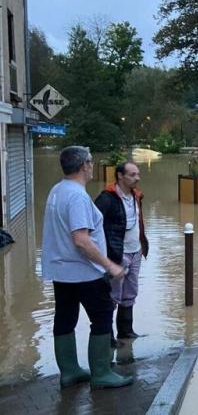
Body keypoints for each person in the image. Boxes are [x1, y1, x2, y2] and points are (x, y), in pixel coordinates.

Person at [41, 146, 133, 389]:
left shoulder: (57, 190)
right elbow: (81, 239)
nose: (93, 166)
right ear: (84, 165)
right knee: (102, 317)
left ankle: (70, 372)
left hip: (61, 272)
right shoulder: (77, 196)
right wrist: (110, 266)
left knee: (65, 318)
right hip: (84, 272)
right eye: (91, 162)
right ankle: (101, 373)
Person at [95, 161, 149, 343]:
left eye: (138, 174)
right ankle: (107, 337)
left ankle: (125, 331)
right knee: (112, 296)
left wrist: (142, 246)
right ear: (120, 175)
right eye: (132, 175)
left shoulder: (137, 196)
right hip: (116, 254)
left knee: (130, 292)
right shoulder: (107, 198)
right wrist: (104, 254)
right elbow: (94, 225)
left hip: (136, 252)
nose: (137, 178)